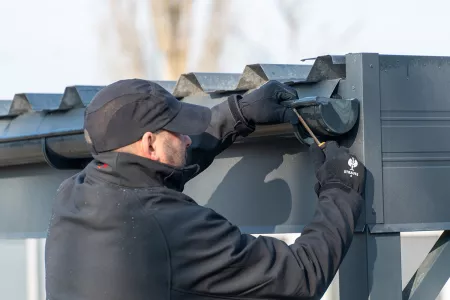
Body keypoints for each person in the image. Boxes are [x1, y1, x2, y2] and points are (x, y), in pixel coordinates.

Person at [45, 78, 365, 300]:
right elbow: (297, 278)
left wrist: (238, 114)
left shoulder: (74, 194)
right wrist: (340, 190)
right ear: (149, 143)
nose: (187, 138)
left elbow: (154, 174)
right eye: (179, 130)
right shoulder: (166, 224)